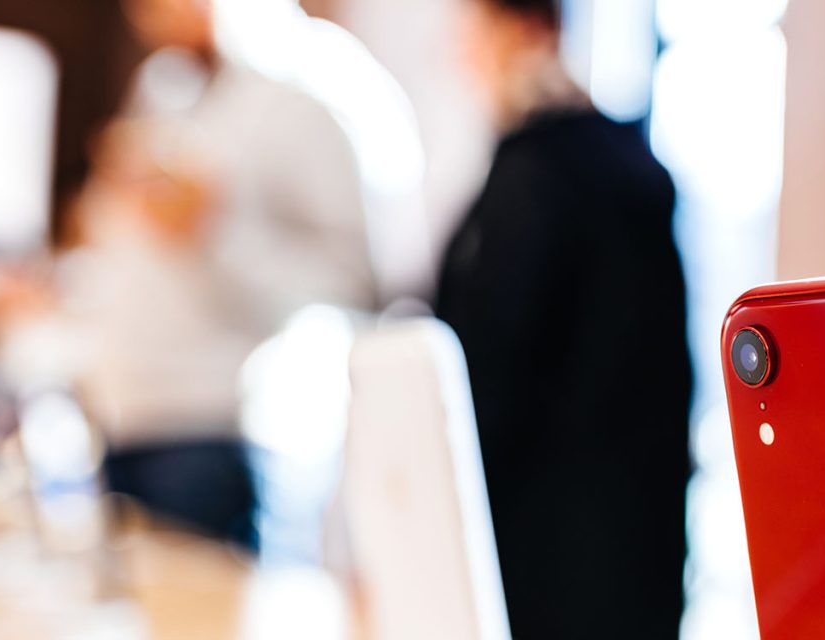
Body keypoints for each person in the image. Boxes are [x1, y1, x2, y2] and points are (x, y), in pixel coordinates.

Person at [62, 0, 378, 549]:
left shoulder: (310, 87)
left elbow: (351, 283)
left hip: (219, 430)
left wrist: (213, 232)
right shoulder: (162, 85)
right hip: (123, 415)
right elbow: (127, 251)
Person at [434, 0, 692, 637]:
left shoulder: (534, 176)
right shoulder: (626, 162)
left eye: (475, 35)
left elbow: (491, 369)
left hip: (549, 547)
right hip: (638, 535)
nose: (463, 57)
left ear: (525, 32)